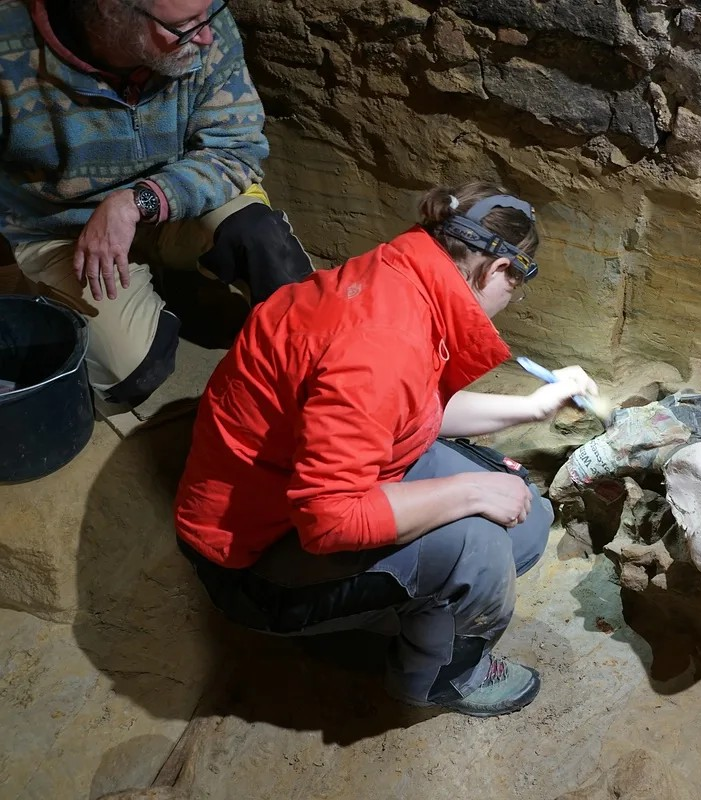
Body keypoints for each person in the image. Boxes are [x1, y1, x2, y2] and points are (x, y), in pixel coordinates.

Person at [174, 182, 599, 717]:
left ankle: (410, 605)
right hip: (256, 559)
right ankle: (441, 676)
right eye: (518, 284)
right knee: (480, 546)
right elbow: (328, 518)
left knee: (526, 519)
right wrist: (470, 491)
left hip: (296, 490)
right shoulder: (382, 341)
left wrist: (533, 407)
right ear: (496, 271)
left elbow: (408, 409)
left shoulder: (400, 277)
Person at [0, 0, 313, 407]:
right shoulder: (10, 51)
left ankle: (184, 285)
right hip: (64, 228)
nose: (204, 35)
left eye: (209, 14)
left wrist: (136, 201)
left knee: (261, 240)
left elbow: (237, 149)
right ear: (109, 15)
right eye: (182, 27)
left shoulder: (201, 17)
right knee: (128, 373)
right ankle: (129, 296)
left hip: (173, 198)